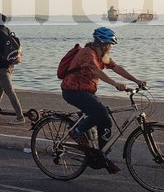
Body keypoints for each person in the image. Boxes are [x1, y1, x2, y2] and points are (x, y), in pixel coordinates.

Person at [60, 26, 146, 174]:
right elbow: (96, 71)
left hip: (86, 91)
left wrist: (136, 80)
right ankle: (77, 132)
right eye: (110, 44)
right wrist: (115, 84)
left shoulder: (102, 55)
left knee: (105, 119)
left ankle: (101, 155)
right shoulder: (87, 53)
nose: (111, 47)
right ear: (103, 43)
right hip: (72, 91)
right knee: (100, 112)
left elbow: (116, 68)